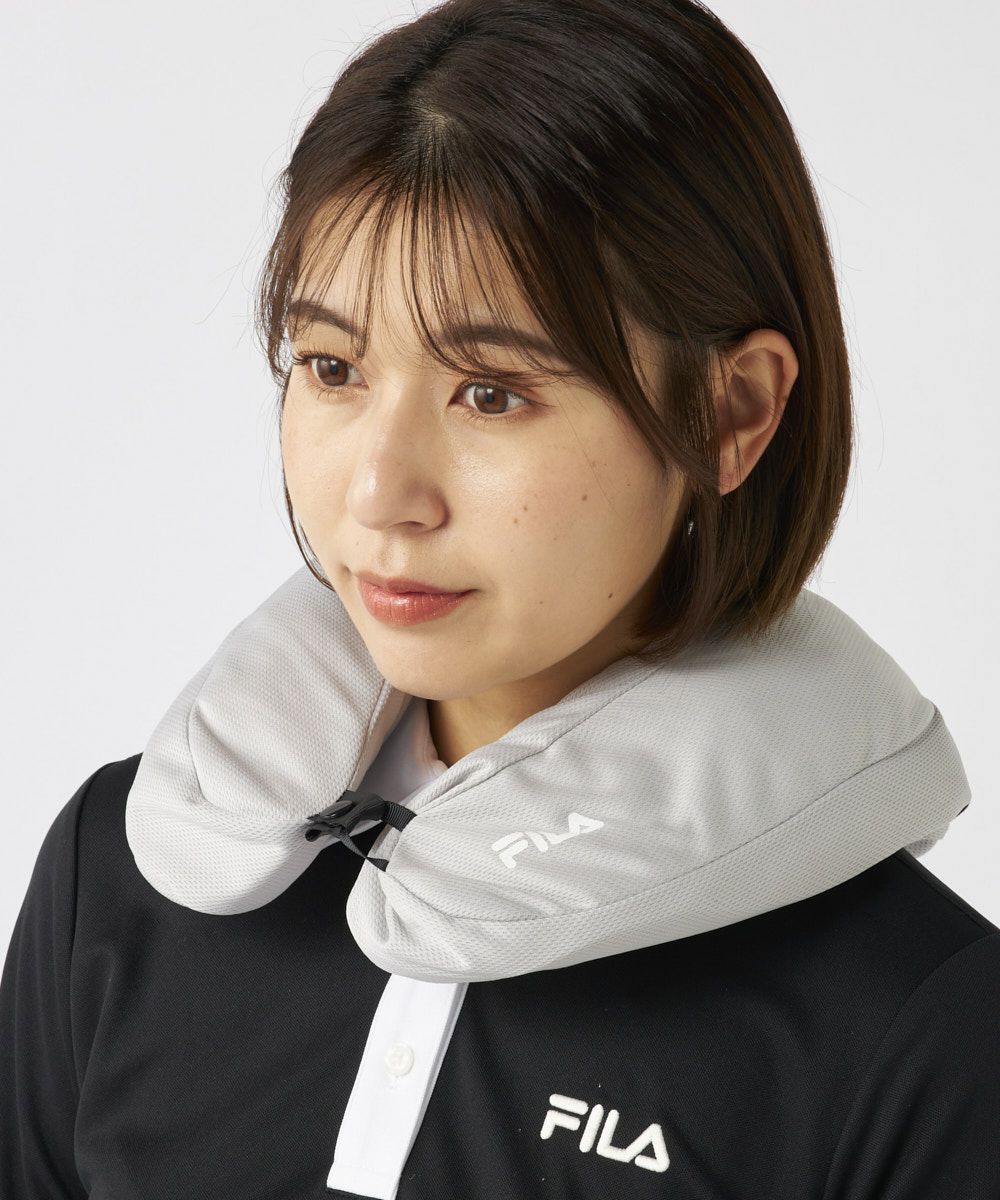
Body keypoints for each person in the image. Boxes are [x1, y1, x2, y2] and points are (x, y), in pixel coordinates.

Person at [2, 0, 998, 1197]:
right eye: (331, 367)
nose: (379, 494)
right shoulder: (121, 881)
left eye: (491, 393)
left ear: (730, 411)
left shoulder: (921, 1030)